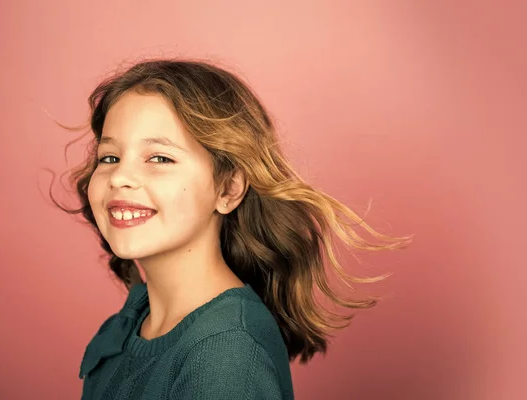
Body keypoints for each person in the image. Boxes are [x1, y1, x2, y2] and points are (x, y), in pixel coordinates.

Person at [51, 58, 412, 399]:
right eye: (109, 157)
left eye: (159, 158)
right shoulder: (137, 319)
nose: (120, 177)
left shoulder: (226, 355)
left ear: (228, 189)